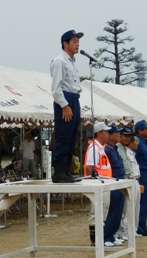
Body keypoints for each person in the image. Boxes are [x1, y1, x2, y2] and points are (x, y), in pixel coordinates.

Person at [50, 29, 84, 183]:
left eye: (78, 41)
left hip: (74, 98)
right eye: (74, 41)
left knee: (72, 137)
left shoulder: (72, 62)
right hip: (65, 98)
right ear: (65, 44)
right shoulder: (60, 61)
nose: (77, 44)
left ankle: (67, 171)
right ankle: (58, 172)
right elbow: (56, 88)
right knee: (63, 136)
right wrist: (65, 105)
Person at [83, 122, 112, 246]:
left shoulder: (100, 147)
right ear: (99, 133)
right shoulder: (94, 148)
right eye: (106, 132)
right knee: (97, 213)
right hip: (98, 184)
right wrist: (93, 183)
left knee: (103, 212)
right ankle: (95, 241)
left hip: (104, 183)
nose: (108, 134)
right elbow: (89, 167)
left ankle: (99, 239)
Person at [116, 127, 142, 240]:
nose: (127, 138)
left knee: (135, 208)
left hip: (134, 179)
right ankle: (124, 232)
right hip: (125, 179)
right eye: (125, 135)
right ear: (120, 136)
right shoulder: (117, 149)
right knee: (125, 209)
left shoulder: (127, 151)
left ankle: (132, 230)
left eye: (129, 136)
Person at [103, 124, 125, 247]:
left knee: (118, 210)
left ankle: (112, 235)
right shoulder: (107, 150)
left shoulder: (114, 149)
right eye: (117, 133)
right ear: (110, 135)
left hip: (120, 180)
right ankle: (106, 236)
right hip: (113, 181)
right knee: (112, 210)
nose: (119, 135)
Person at [134, 119, 147, 236]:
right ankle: (139, 226)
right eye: (146, 129)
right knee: (141, 201)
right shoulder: (138, 142)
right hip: (142, 173)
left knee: (146, 201)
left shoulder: (144, 142)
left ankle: (143, 225)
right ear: (140, 131)